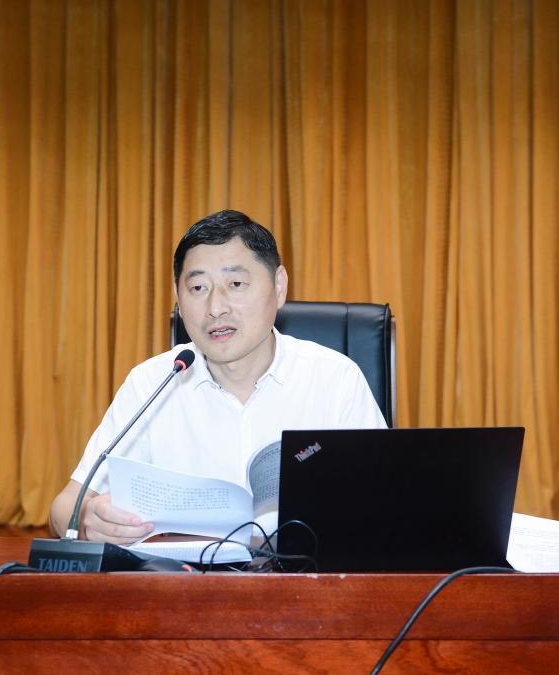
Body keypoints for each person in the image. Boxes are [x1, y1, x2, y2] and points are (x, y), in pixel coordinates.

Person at [48, 209, 386, 543]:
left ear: (279, 286)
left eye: (236, 284)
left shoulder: (335, 379)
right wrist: (87, 520)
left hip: (307, 574)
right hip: (186, 577)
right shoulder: (152, 383)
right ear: (178, 298)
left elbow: (386, 505)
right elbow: (62, 510)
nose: (215, 308)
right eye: (197, 288)